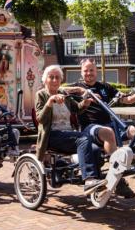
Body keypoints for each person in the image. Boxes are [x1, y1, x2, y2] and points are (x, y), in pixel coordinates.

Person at [69, 58, 135, 197]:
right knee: (108, 133)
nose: (89, 73)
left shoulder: (105, 87)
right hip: (90, 129)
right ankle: (118, 180)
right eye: (86, 70)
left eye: (91, 70)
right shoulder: (76, 88)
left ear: (96, 71)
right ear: (81, 72)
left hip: (112, 125)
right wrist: (81, 90)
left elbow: (126, 99)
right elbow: (59, 89)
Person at [35, 65, 103, 193]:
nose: (55, 80)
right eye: (51, 77)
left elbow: (76, 108)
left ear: (61, 80)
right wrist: (50, 102)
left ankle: (96, 185)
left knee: (95, 149)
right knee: (83, 138)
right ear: (45, 80)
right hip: (51, 136)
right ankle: (89, 179)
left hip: (67, 135)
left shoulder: (63, 93)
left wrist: (86, 103)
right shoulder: (41, 95)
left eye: (57, 77)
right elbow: (40, 119)